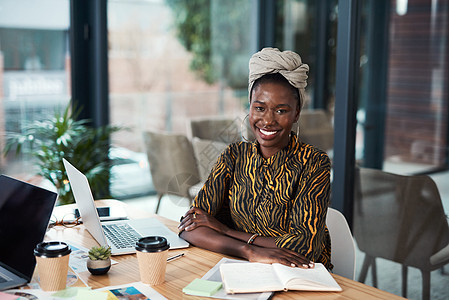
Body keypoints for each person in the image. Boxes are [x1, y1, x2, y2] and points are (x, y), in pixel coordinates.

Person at [178, 47, 331, 270]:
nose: (268, 120)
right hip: (241, 267)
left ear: (296, 113)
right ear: (250, 107)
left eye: (281, 111)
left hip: (298, 274)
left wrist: (226, 231)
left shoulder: (314, 163)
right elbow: (190, 226)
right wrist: (249, 251)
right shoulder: (233, 156)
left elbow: (305, 247)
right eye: (259, 108)